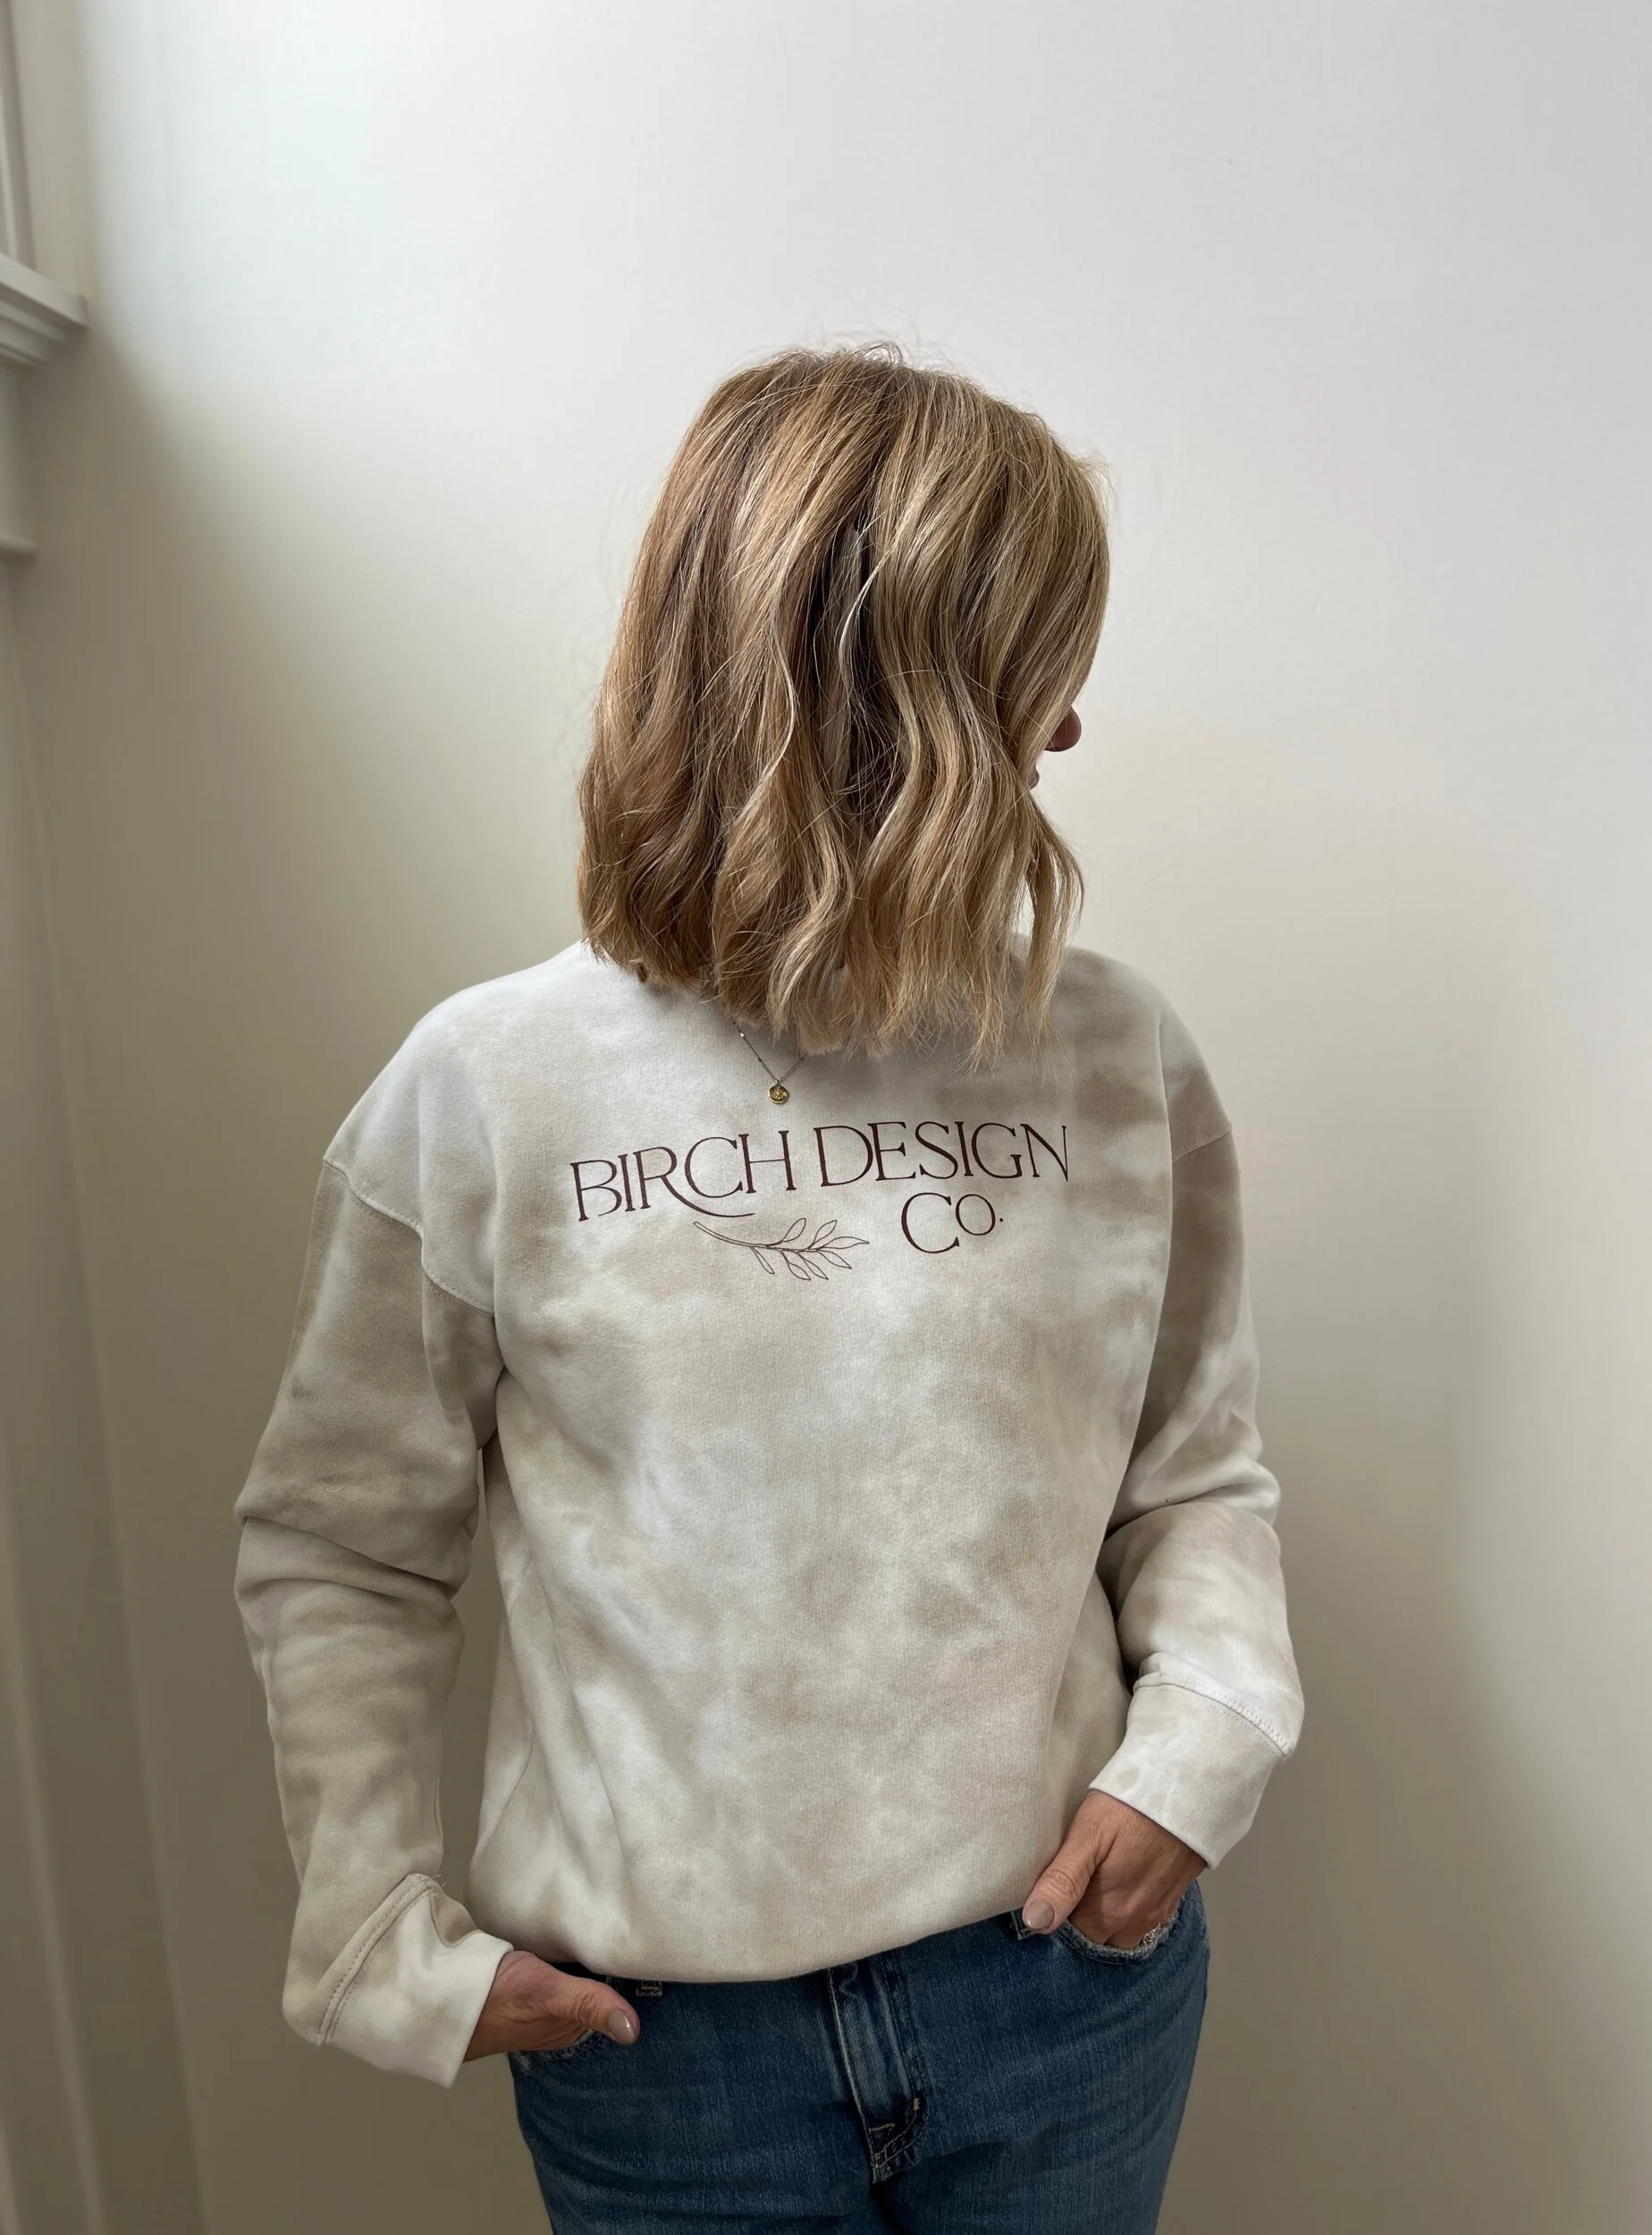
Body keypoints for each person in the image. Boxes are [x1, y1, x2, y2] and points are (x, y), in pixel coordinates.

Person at [234, 342, 1303, 2234]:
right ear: (897, 695)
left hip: (1061, 1992)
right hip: (668, 2062)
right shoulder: (487, 1091)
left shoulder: (1110, 1057)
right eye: (1031, 667)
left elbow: (1189, 1471)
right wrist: (380, 1938)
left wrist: (1197, 1749)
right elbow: (343, 1542)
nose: (1066, 730)